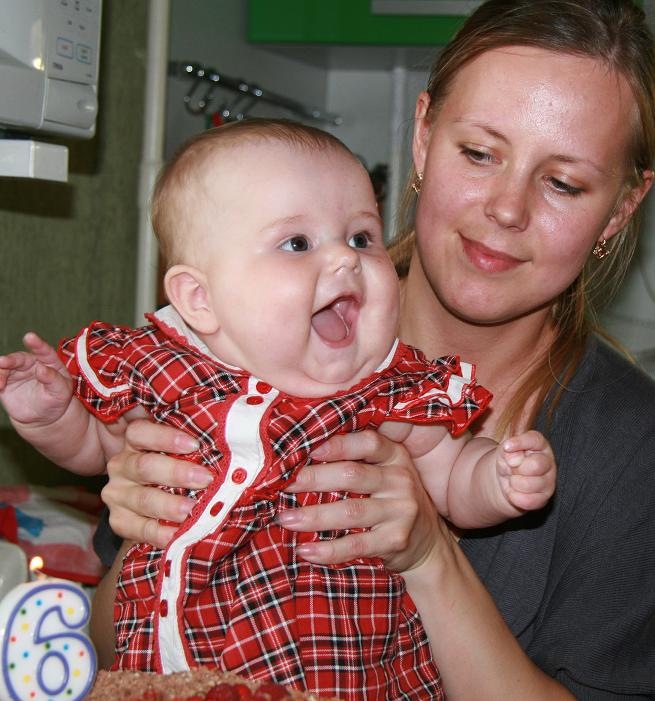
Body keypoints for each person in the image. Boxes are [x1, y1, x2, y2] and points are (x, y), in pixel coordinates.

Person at [92, 0, 655, 698]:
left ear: (619, 209)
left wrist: (429, 557)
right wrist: (152, 530)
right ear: (423, 136)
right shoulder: (234, 347)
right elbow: (107, 651)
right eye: (478, 153)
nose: (507, 209)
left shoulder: (632, 453)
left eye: (562, 183)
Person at [0, 119, 557, 699]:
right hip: (169, 672)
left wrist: (498, 478)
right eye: (297, 244)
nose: (345, 259)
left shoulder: (385, 391)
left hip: (338, 674)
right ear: (200, 299)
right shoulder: (166, 371)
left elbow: (452, 476)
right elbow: (101, 446)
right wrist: (50, 417)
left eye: (361, 237)